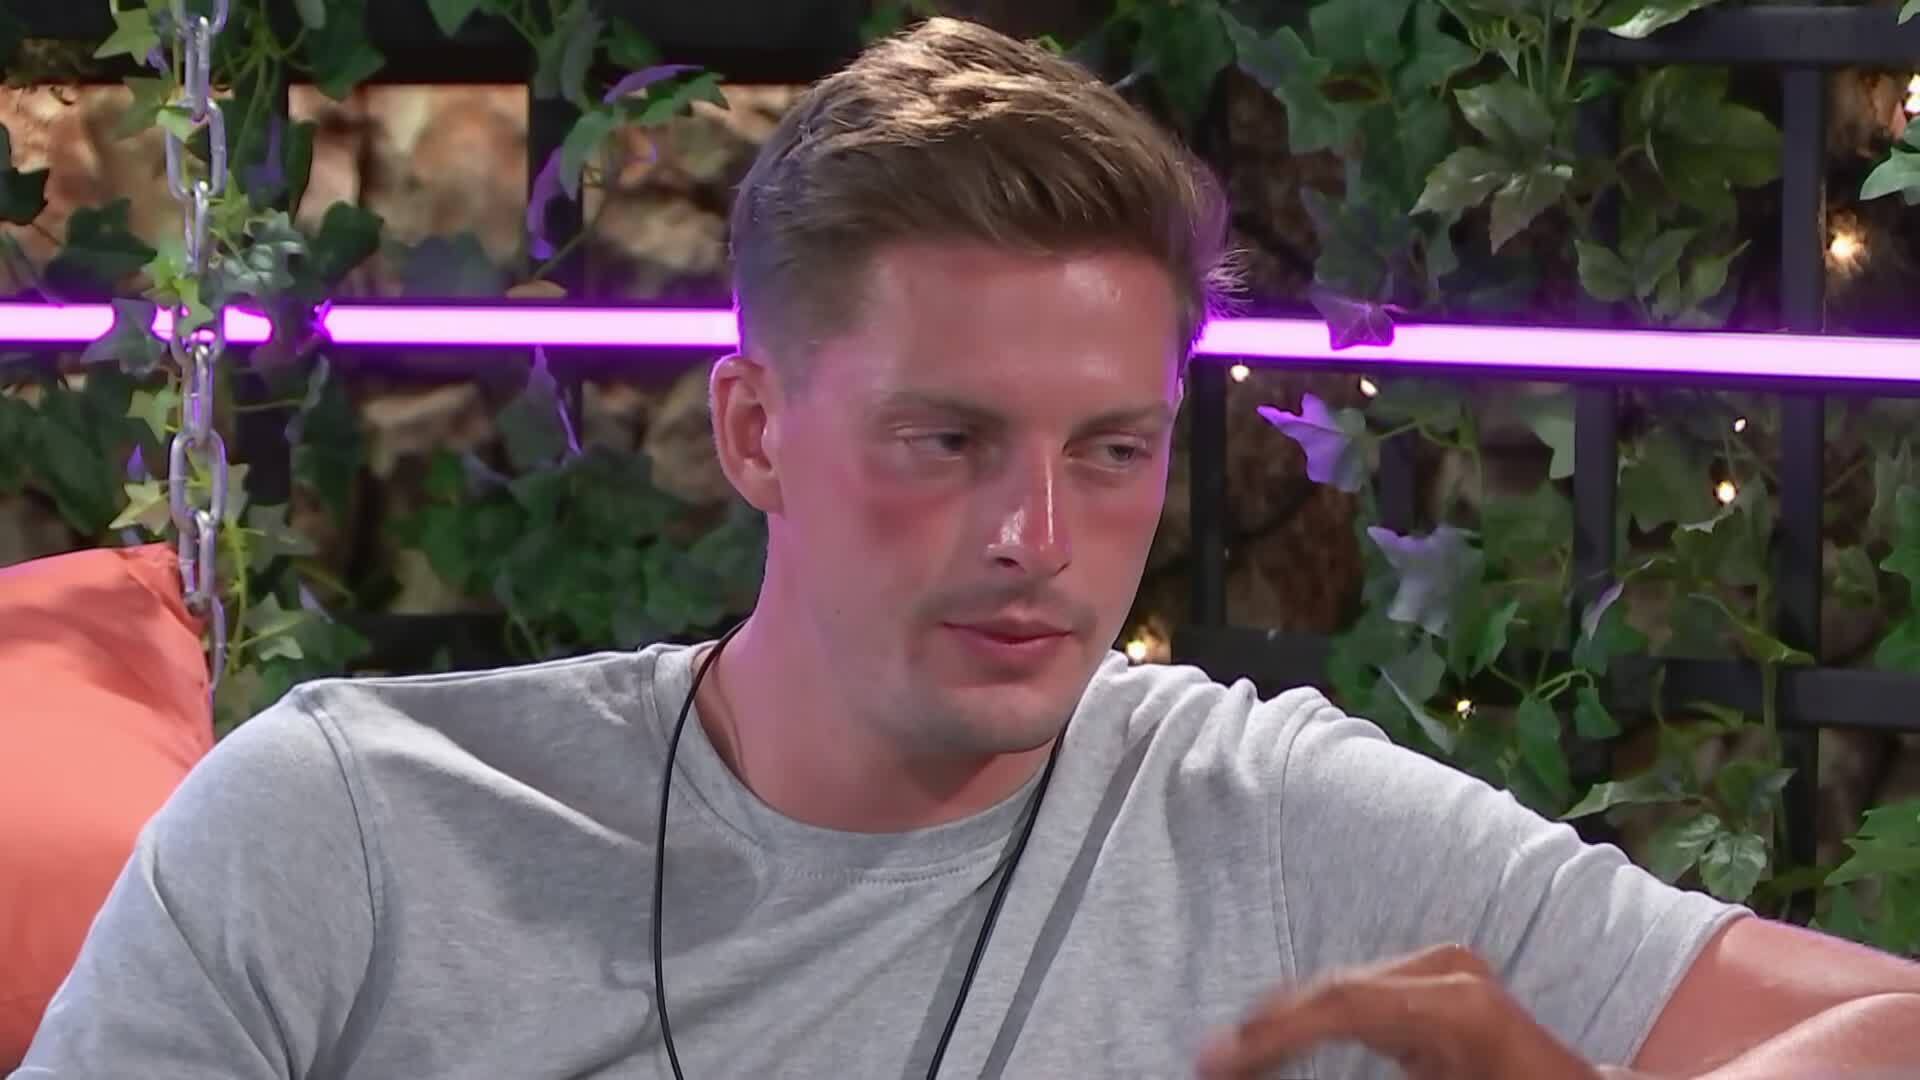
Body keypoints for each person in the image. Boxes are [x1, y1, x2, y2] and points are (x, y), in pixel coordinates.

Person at [16, 15, 1920, 1080]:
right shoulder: (352, 833)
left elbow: (1883, 1025)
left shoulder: (1266, 818)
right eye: (946, 442)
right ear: (757, 429)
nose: (1039, 541)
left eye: (1112, 453)